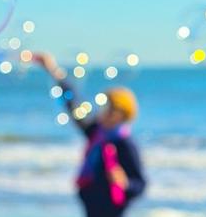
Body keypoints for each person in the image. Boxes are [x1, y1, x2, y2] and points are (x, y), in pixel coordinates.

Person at [35, 53, 146, 217]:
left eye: (109, 108)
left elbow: (140, 184)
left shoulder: (124, 144)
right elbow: (73, 104)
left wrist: (125, 184)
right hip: (91, 205)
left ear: (121, 114)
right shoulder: (96, 133)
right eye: (103, 106)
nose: (103, 111)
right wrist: (53, 69)